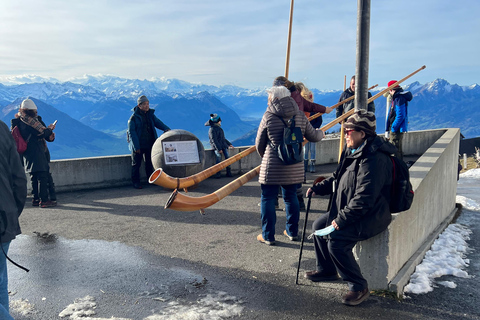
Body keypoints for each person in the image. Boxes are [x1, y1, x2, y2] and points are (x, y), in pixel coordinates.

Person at [305, 110, 395, 306]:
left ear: (362, 133)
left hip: (371, 215)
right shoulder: (352, 150)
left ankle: (359, 286)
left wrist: (341, 220)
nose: (344, 134)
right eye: (344, 130)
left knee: (336, 242)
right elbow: (338, 178)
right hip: (351, 210)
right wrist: (318, 188)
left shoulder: (374, 159)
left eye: (348, 131)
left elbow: (364, 199)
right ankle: (327, 270)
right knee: (319, 226)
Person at [256, 85, 324, 245]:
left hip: (272, 164)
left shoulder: (268, 116)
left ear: (275, 99)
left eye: (269, 98)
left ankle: (268, 236)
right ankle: (292, 232)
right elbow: (313, 136)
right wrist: (321, 132)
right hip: (294, 164)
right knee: (291, 197)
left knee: (268, 198)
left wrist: (266, 156)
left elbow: (259, 142)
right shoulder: (300, 115)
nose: (268, 101)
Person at [0, 119, 27, 319]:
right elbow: (19, 177)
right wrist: (11, 211)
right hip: (5, 218)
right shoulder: (2, 128)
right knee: (1, 282)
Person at [11, 99, 57, 208]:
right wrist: (50, 129)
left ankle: (35, 199)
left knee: (33, 176)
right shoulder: (32, 122)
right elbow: (41, 133)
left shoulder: (19, 121)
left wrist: (48, 133)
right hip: (38, 151)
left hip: (27, 152)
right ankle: (44, 200)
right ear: (33, 111)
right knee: (43, 175)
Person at [127, 95, 170, 189]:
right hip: (138, 145)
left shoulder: (150, 114)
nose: (147, 106)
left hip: (150, 143)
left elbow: (157, 122)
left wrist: (166, 128)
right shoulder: (133, 118)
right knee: (136, 164)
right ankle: (136, 182)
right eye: (144, 104)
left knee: (149, 163)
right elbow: (132, 133)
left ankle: (151, 180)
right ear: (139, 105)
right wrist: (136, 147)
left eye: (148, 104)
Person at [295, 83, 322, 174]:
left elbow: (319, 121)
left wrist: (313, 128)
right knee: (305, 150)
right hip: (304, 133)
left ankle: (312, 164)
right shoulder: (301, 110)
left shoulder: (314, 109)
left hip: (312, 132)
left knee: (312, 149)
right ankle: (305, 165)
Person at [385, 80, 412, 160]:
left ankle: (397, 168)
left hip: (396, 130)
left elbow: (400, 115)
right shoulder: (397, 97)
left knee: (395, 149)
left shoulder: (399, 99)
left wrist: (393, 128)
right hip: (396, 129)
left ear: (391, 89)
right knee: (397, 149)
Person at [205, 113, 234, 178]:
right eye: (219, 121)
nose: (220, 122)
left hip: (223, 146)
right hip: (217, 147)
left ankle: (228, 172)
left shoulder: (218, 128)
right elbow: (214, 140)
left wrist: (229, 144)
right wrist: (218, 149)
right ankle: (218, 174)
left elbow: (223, 138)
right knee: (218, 158)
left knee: (227, 158)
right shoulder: (212, 130)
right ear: (217, 121)